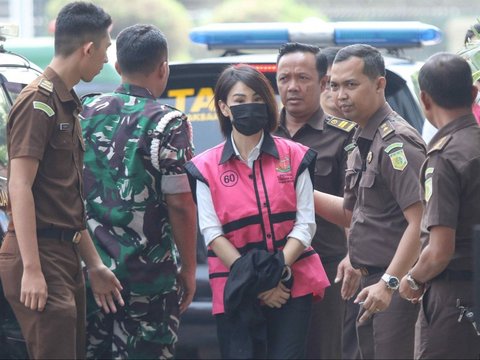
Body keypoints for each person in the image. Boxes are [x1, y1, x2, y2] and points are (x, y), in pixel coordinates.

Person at [0, 2, 124, 359]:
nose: (105, 59)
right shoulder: (37, 102)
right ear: (88, 48)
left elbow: (64, 199)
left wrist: (95, 264)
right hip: (38, 254)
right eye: (105, 48)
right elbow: (19, 185)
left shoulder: (66, 103)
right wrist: (32, 268)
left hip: (65, 254)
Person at [185, 64, 329, 359]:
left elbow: (305, 224)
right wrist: (257, 283)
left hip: (290, 283)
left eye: (257, 98)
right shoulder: (204, 167)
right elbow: (212, 233)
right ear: (224, 108)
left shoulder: (295, 155)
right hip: (235, 287)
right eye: (239, 100)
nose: (249, 106)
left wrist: (277, 274)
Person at [80, 24, 197, 359]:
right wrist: (188, 268)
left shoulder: (83, 111)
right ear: (163, 68)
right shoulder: (169, 123)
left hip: (91, 273)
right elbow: (180, 203)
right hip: (148, 280)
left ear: (117, 67)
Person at [314, 44, 426, 359]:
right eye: (334, 86)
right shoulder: (360, 140)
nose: (340, 95)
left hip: (396, 284)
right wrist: (299, 193)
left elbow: (421, 222)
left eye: (351, 84)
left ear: (379, 85)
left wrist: (390, 282)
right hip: (368, 283)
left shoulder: (396, 143)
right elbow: (354, 214)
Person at [274, 42, 356, 359]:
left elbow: (355, 211)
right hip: (267, 269)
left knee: (324, 352)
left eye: (303, 78)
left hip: (325, 268)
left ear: (323, 84)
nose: (292, 87)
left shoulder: (345, 136)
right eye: (284, 78)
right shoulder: (260, 134)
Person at [398, 52, 480, 359]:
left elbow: (439, 250)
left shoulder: (443, 158)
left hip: (455, 299)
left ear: (424, 99)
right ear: (473, 93)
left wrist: (413, 279)